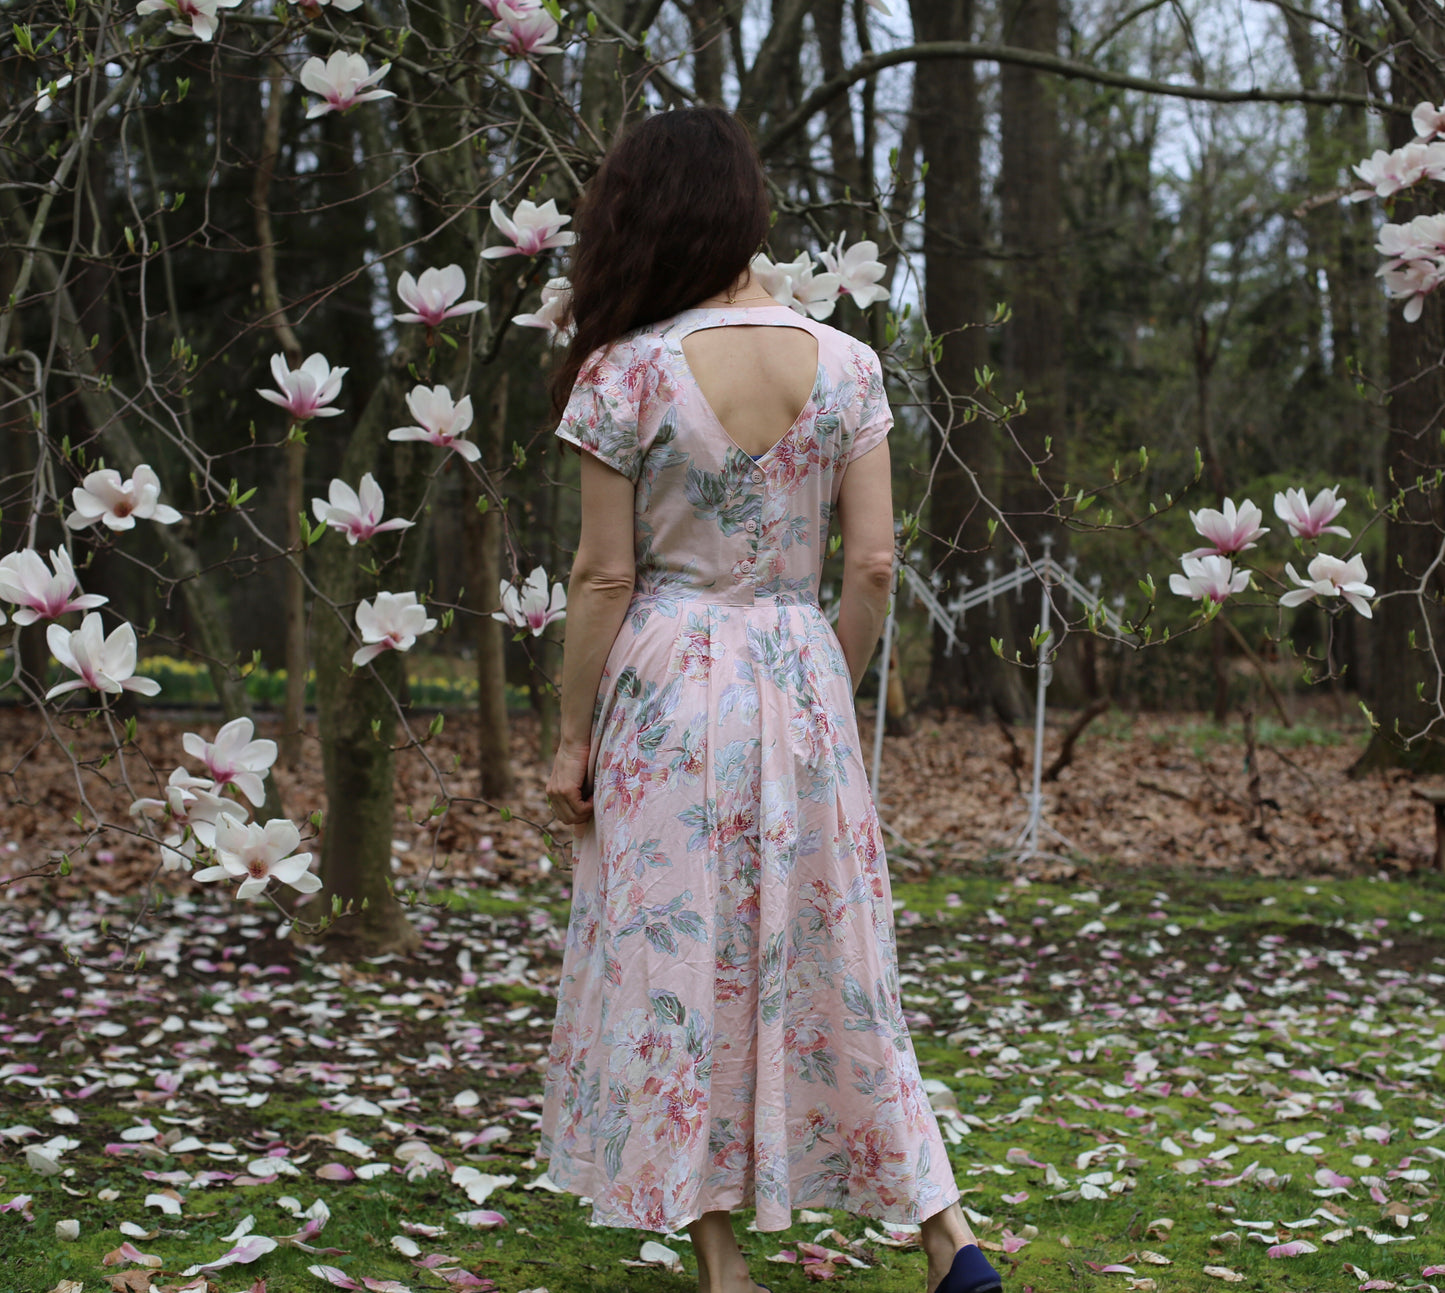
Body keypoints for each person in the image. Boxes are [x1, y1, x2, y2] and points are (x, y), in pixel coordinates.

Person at [537, 105, 1003, 1293]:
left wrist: (567, 737)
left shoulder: (625, 371)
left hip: (666, 694)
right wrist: (816, 691)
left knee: (676, 965)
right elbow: (875, 564)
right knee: (837, 959)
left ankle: (725, 1265)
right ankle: (945, 1234)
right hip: (799, 676)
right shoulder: (846, 365)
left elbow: (601, 574)